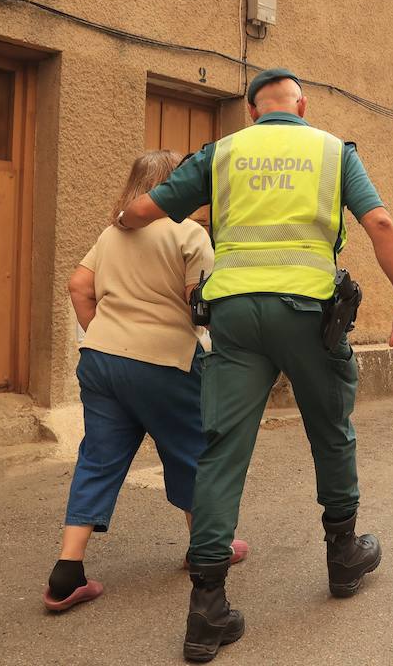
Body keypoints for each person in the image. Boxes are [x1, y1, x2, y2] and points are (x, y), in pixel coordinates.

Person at [118, 69, 393, 663]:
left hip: (233, 317)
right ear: (301, 106)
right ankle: (343, 557)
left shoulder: (223, 152)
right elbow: (379, 223)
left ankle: (207, 609)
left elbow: (145, 209)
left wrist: (125, 222)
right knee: (330, 431)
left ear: (254, 114)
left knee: (222, 447)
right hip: (310, 314)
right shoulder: (333, 150)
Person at [43, 151, 248, 613]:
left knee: (98, 457)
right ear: (178, 186)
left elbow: (78, 285)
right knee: (192, 450)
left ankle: (67, 571)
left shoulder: (113, 232)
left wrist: (101, 332)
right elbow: (204, 303)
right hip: (164, 361)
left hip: (101, 358)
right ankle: (206, 548)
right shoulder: (189, 233)